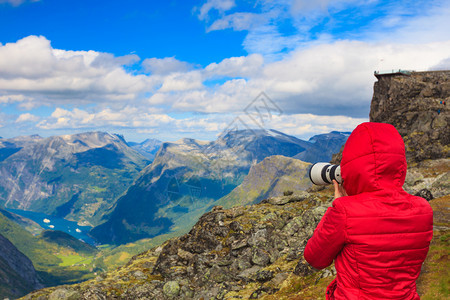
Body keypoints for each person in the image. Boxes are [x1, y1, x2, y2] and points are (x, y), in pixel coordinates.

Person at [304, 122, 433, 299]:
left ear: (352, 165)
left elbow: (314, 258)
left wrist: (337, 207)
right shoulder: (423, 210)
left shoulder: (345, 211)